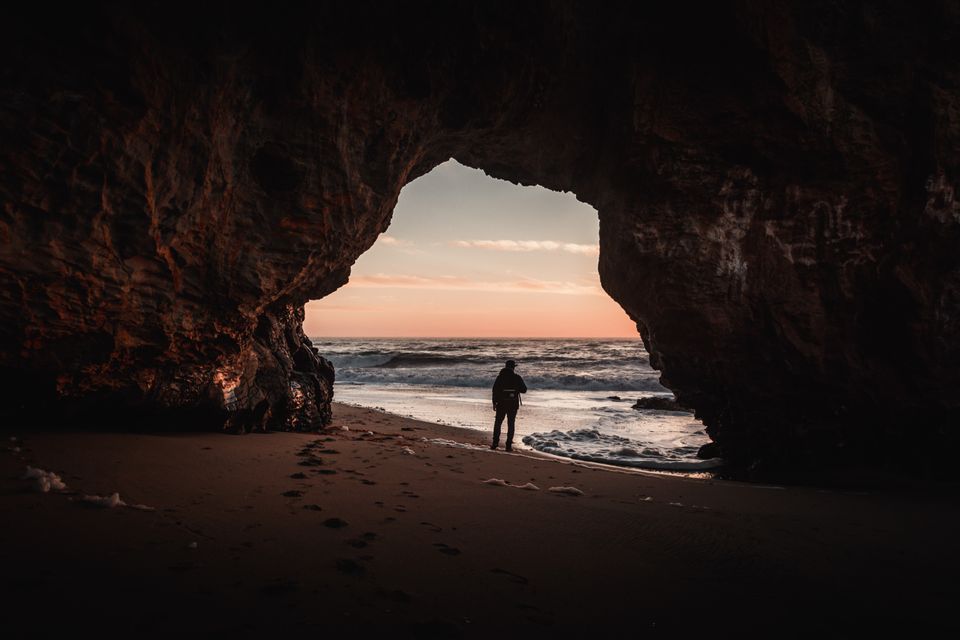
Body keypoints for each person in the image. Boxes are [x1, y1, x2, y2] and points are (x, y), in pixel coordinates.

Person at [491, 359, 527, 452]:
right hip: (513, 404)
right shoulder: (517, 377)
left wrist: (494, 403)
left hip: (501, 403)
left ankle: (495, 443)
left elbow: (494, 390)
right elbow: (524, 390)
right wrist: (516, 388)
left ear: (505, 366)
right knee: (511, 424)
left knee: (498, 423)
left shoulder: (500, 377)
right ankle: (508, 446)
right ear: (513, 367)